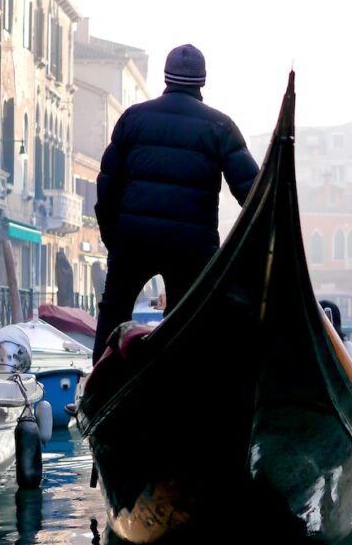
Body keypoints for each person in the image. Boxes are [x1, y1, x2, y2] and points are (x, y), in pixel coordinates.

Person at [93, 43, 259, 360]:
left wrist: (113, 238)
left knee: (115, 307)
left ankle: (96, 385)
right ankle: (178, 385)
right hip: (193, 246)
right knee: (187, 318)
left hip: (133, 238)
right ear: (202, 82)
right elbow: (251, 193)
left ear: (166, 78)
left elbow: (107, 186)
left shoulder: (133, 118)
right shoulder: (221, 127)